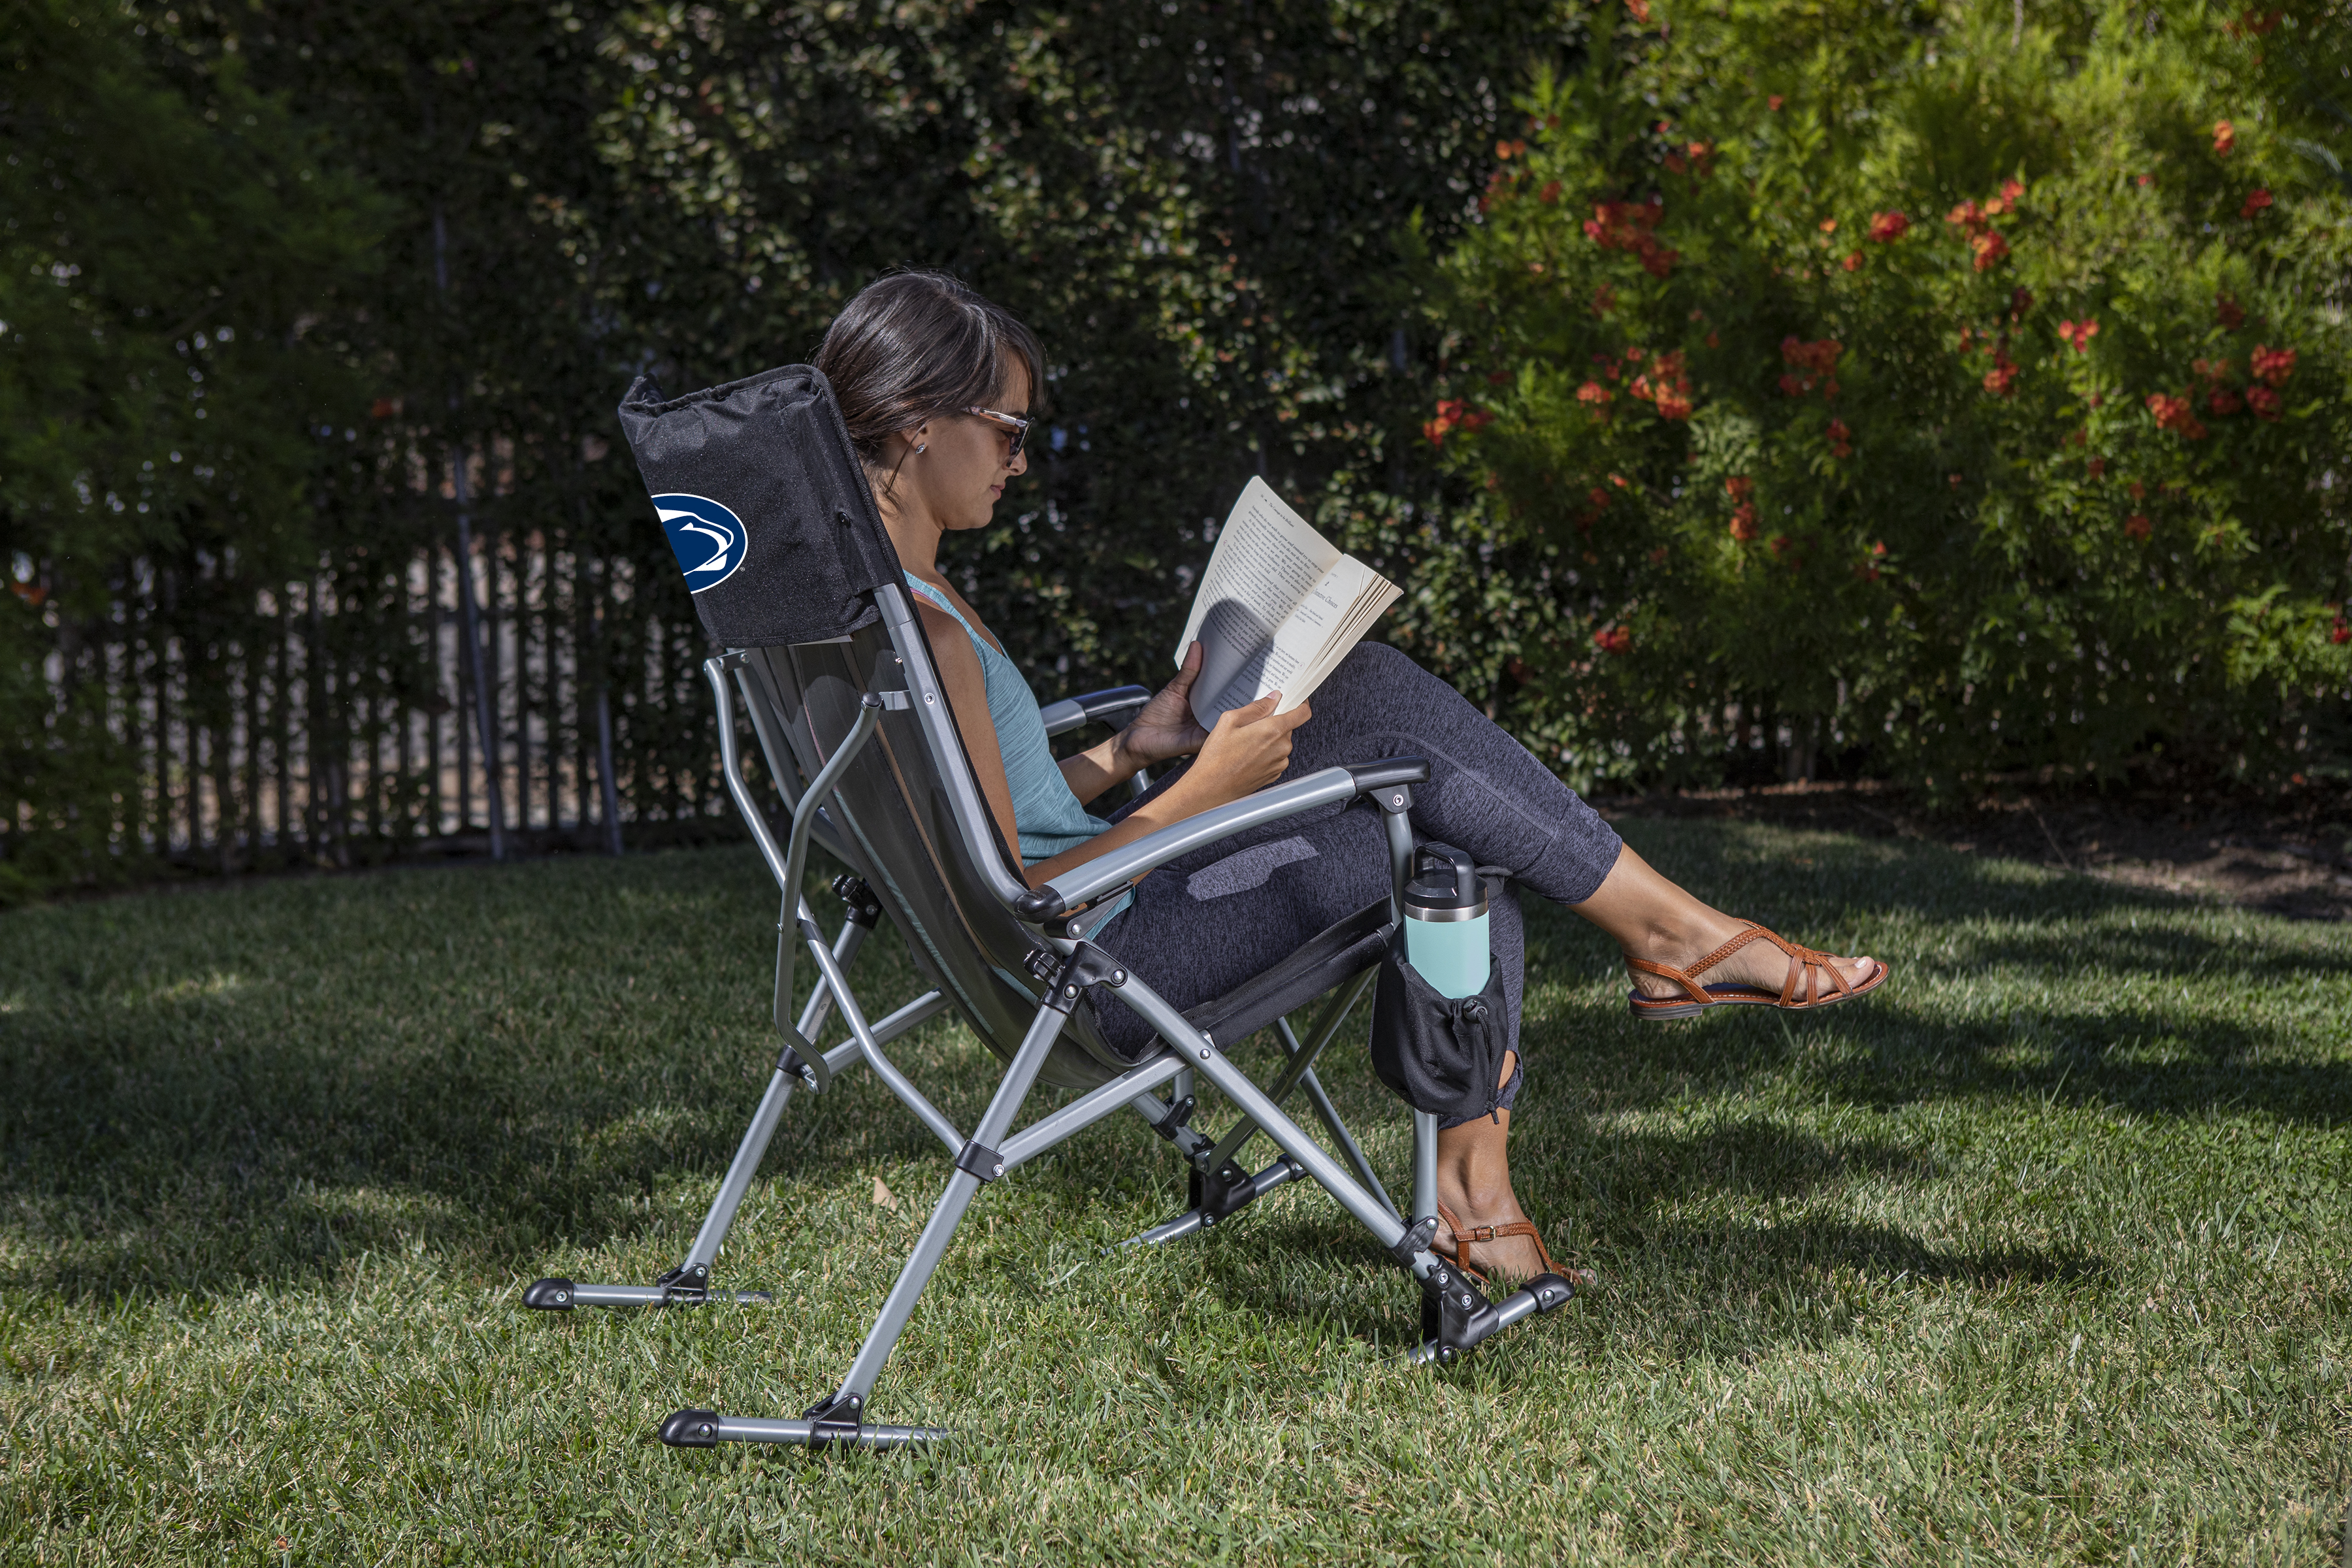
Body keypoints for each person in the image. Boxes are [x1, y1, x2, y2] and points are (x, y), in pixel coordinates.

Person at [815, 270, 1887, 1286]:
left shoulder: (877, 614)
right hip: (1105, 970)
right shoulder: (927, 636)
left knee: (1407, 753)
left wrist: (1140, 751)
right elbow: (1016, 897)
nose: (1021, 459)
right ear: (918, 422)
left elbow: (991, 819)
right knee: (1438, 815)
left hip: (1082, 944)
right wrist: (1206, 791)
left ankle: (1567, 1084)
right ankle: (1616, 1018)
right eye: (1007, 429)